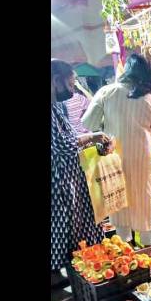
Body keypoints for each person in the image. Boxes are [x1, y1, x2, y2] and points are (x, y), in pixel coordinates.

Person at [82, 54, 151, 246]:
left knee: (119, 199)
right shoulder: (150, 99)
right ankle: (148, 250)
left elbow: (89, 123)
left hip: (113, 158)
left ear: (126, 71)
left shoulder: (106, 92)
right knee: (144, 199)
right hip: (141, 159)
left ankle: (125, 250)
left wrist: (108, 122)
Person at [50, 59, 108, 287]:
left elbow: (72, 138)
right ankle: (56, 273)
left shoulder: (59, 106)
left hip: (70, 176)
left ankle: (80, 261)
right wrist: (94, 137)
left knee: (77, 221)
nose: (73, 89)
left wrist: (92, 142)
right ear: (56, 81)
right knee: (59, 224)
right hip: (57, 180)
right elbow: (63, 145)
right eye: (71, 84)